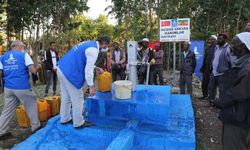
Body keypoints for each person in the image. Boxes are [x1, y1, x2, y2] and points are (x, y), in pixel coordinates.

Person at [57, 37, 109, 128]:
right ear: (104, 43)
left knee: (66, 97)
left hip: (61, 69)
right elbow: (88, 70)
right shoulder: (94, 50)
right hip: (70, 73)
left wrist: (97, 68)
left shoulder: (88, 43)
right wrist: (91, 86)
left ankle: (64, 118)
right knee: (78, 98)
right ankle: (78, 122)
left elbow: (85, 61)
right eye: (107, 45)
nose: (106, 47)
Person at [0, 40, 41, 140]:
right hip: (22, 87)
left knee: (7, 110)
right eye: (23, 46)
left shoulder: (2, 57)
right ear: (18, 46)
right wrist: (38, 66)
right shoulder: (24, 55)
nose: (23, 48)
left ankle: (1, 131)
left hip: (8, 88)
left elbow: (0, 73)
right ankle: (36, 127)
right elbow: (33, 71)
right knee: (31, 105)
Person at [218, 32, 250, 150]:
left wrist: (220, 101)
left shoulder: (247, 68)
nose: (231, 46)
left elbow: (238, 93)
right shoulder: (242, 64)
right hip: (237, 115)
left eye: (233, 43)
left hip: (238, 119)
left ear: (242, 46)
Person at [208, 33, 236, 105]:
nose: (218, 40)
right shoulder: (216, 48)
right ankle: (211, 102)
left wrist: (231, 74)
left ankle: (221, 104)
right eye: (218, 38)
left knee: (222, 90)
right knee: (211, 88)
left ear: (225, 40)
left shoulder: (228, 49)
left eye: (220, 38)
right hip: (214, 72)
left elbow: (233, 63)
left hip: (223, 74)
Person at [199, 35, 217, 99]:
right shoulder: (207, 48)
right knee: (204, 82)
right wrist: (202, 67)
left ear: (215, 40)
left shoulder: (217, 48)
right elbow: (205, 59)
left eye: (212, 39)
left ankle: (211, 97)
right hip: (206, 68)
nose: (210, 41)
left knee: (212, 84)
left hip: (213, 69)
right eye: (209, 39)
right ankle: (205, 95)